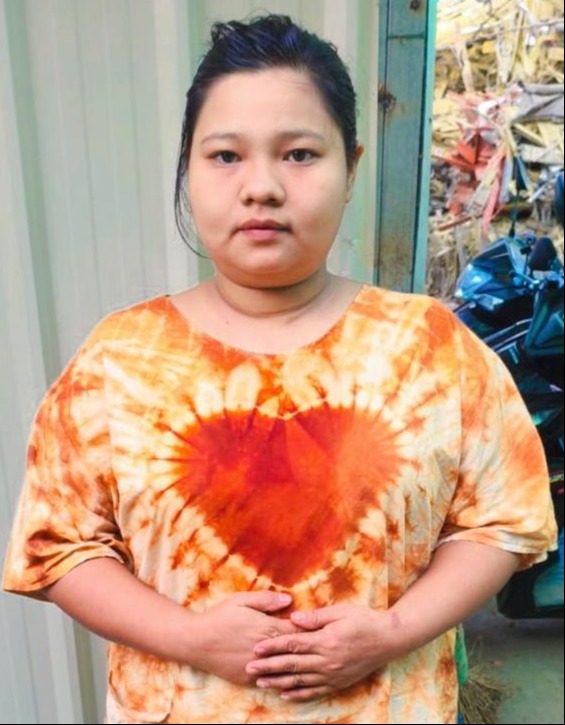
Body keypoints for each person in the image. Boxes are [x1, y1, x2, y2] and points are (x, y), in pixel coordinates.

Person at [2, 14, 557, 725]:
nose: (261, 186)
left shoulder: (430, 347)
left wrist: (394, 630)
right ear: (188, 168)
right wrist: (190, 638)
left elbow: (504, 523)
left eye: (298, 154)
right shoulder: (119, 360)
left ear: (350, 167)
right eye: (225, 155)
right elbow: (60, 548)